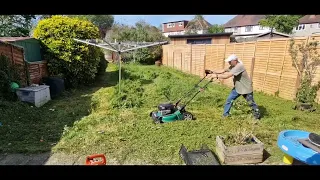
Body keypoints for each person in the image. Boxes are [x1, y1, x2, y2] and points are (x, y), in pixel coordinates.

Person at [210, 54, 261, 120]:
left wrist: (216, 76)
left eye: (230, 61)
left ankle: (257, 116)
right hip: (238, 88)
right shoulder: (233, 66)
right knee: (229, 100)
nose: (228, 63)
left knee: (251, 103)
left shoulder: (239, 66)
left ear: (235, 61)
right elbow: (223, 70)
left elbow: (227, 76)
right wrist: (212, 72)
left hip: (246, 88)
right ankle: (225, 115)